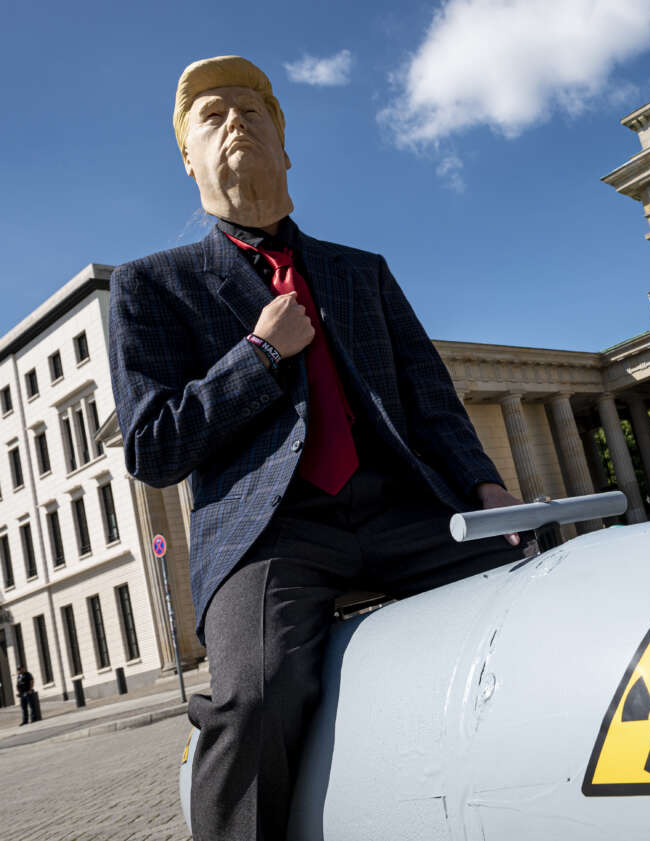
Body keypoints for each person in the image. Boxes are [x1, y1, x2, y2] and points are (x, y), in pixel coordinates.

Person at [107, 56, 524, 841]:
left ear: (287, 147)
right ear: (188, 159)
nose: (235, 122)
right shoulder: (151, 287)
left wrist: (485, 486)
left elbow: (431, 399)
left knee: (532, 584)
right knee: (254, 695)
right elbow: (153, 446)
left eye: (253, 111)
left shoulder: (360, 272)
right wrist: (259, 356)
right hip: (274, 535)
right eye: (212, 116)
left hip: (402, 508)